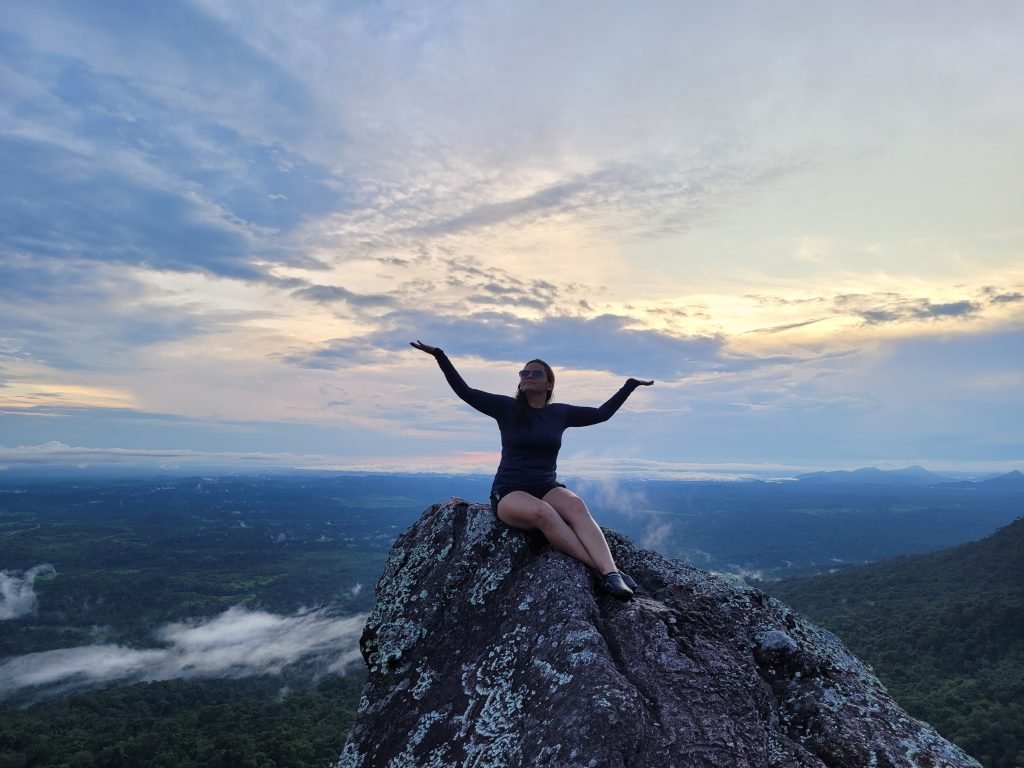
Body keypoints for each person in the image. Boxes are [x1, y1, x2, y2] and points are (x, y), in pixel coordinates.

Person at [410, 340, 653, 599]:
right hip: (509, 491)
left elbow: (602, 414)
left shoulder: (560, 413)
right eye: (523, 373)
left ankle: (612, 572)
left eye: (535, 373)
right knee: (544, 513)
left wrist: (629, 386)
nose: (527, 376)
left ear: (549, 384)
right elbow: (465, 391)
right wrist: (440, 356)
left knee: (576, 507)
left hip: (546, 485)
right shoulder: (506, 408)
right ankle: (604, 572)